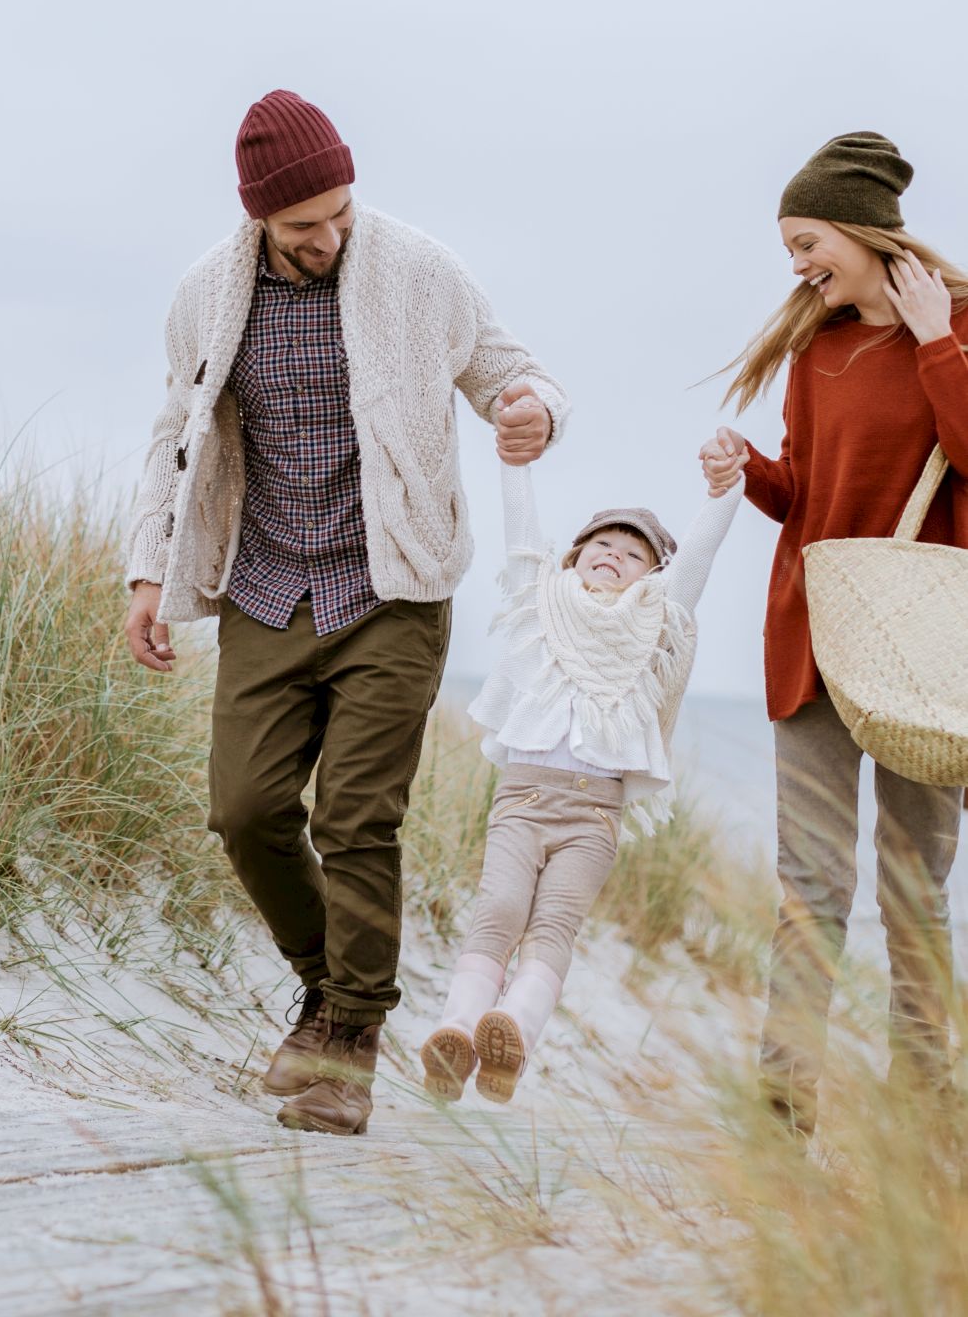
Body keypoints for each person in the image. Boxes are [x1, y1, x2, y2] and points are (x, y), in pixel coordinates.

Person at [123, 90, 567, 1136]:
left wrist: (532, 410)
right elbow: (172, 435)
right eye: (301, 225)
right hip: (268, 583)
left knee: (358, 817)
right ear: (258, 220)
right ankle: (331, 989)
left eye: (338, 213)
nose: (327, 237)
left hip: (392, 586)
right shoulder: (205, 295)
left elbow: (512, 370)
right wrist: (149, 572)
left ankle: (348, 1046)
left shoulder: (418, 269)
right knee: (246, 809)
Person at [705, 130, 968, 1140]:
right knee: (811, 887)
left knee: (916, 888)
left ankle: (928, 1101)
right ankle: (783, 1104)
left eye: (808, 238)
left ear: (861, 231)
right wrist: (751, 470)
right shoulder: (814, 350)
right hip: (814, 643)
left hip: (925, 655)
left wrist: (939, 337)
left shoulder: (960, 326)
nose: (797, 264)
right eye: (788, 246)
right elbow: (814, 498)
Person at [420, 442, 741, 1102]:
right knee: (499, 909)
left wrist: (725, 491)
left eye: (633, 553)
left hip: (593, 815)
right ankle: (455, 1032)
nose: (613, 554)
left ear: (651, 578)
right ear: (573, 554)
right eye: (601, 543)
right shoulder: (540, 602)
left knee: (554, 924)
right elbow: (520, 527)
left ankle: (513, 1033)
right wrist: (516, 460)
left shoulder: (654, 624)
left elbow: (698, 561)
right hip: (521, 800)